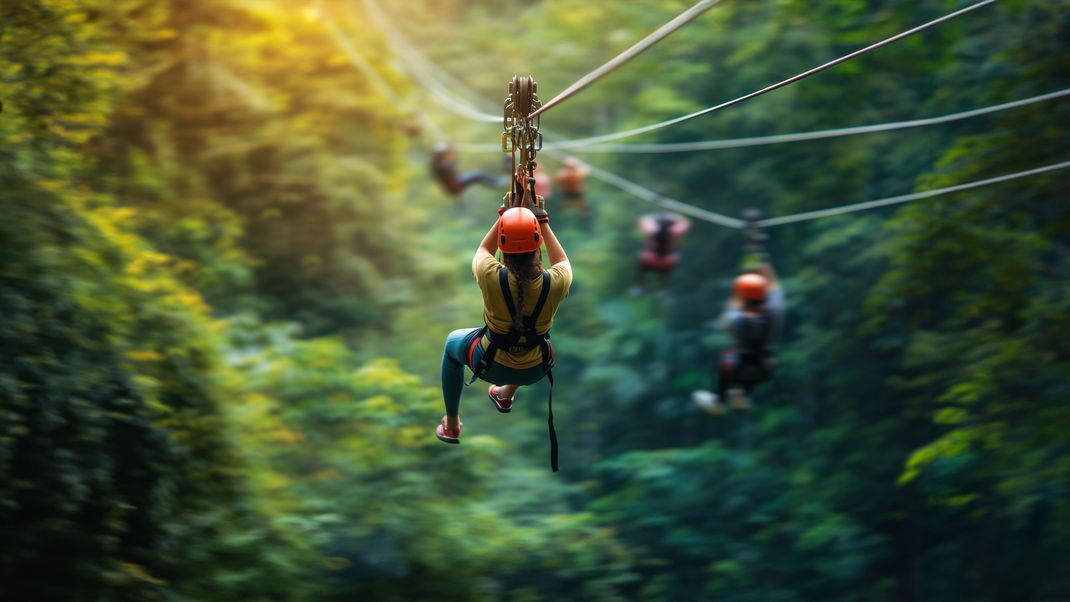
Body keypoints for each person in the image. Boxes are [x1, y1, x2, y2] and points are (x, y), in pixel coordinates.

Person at [436, 173, 573, 469]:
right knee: (526, 339)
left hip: (490, 362)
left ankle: (452, 422)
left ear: (504, 244)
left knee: (451, 344)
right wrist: (541, 218)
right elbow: (562, 260)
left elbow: (483, 250)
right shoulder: (556, 282)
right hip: (535, 368)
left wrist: (507, 215)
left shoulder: (490, 275)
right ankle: (505, 393)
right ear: (536, 243)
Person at [692, 262, 784, 415]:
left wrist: (738, 288)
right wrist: (764, 267)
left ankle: (719, 401)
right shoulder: (775, 312)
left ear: (743, 298)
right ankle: (743, 394)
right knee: (758, 362)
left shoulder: (737, 319)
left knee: (726, 359)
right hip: (767, 369)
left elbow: (731, 309)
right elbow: (775, 287)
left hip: (738, 369)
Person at [631, 212, 691, 296]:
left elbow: (643, 219)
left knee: (640, 266)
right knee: (666, 272)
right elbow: (686, 223)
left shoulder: (652, 230)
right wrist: (674, 216)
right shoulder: (675, 232)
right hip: (666, 261)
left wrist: (655, 215)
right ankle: (661, 289)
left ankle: (638, 286)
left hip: (649, 259)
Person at [429, 142, 504, 197]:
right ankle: (497, 183)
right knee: (477, 175)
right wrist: (455, 153)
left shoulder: (436, 164)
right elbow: (453, 167)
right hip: (455, 185)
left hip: (452, 185)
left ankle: (497, 182)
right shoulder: (442, 165)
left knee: (477, 175)